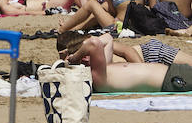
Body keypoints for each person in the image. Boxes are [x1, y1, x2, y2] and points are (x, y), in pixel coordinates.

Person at [56, 31, 192, 93]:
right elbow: (94, 43)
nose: (87, 56)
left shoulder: (104, 68)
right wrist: (74, 57)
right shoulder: (97, 78)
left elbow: (108, 38)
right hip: (173, 79)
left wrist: (74, 56)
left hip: (173, 73)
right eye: (85, 55)